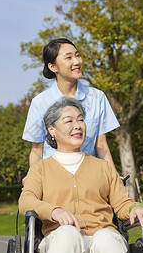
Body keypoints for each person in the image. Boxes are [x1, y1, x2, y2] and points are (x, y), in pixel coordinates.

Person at [19, 98, 143, 253]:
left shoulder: (103, 167)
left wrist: (135, 207)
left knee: (107, 237)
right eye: (69, 121)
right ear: (52, 130)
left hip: (100, 245)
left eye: (80, 119)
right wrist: (54, 211)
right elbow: (26, 201)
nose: (78, 125)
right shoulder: (40, 169)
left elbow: (122, 203)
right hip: (60, 244)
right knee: (67, 234)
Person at [22, 38, 120, 168]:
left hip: (87, 176)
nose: (77, 61)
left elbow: (101, 145)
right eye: (69, 58)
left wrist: (113, 178)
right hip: (53, 178)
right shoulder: (39, 102)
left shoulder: (97, 97)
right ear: (53, 67)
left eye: (77, 55)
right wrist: (33, 180)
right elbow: (36, 150)